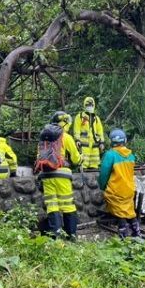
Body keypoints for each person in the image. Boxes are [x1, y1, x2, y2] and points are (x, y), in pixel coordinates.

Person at [36, 111, 82, 239]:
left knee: (52, 205)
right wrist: (80, 159)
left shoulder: (44, 137)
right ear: (65, 122)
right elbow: (75, 158)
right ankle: (71, 235)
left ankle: (54, 236)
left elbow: (38, 157)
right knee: (67, 204)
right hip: (62, 174)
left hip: (45, 175)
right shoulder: (66, 137)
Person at [98, 129, 140, 239]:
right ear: (125, 140)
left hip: (116, 190)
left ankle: (124, 235)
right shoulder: (131, 155)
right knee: (129, 211)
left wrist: (103, 186)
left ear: (111, 141)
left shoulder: (110, 155)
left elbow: (104, 174)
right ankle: (136, 233)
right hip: (129, 189)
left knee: (120, 212)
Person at [72, 96, 104, 170]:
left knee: (95, 165)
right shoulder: (80, 117)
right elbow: (76, 130)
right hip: (84, 145)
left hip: (95, 146)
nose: (89, 107)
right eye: (87, 105)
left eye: (91, 105)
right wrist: (77, 140)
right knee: (83, 165)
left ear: (94, 105)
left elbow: (100, 131)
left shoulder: (96, 118)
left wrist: (101, 142)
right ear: (84, 105)